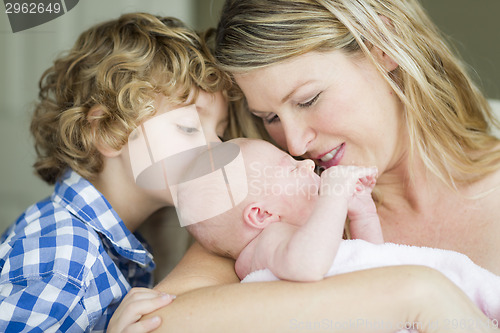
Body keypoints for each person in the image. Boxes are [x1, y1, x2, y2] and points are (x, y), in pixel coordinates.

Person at [138, 0, 500, 332]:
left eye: (308, 100)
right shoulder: (269, 212)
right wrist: (417, 295)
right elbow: (160, 323)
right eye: (269, 118)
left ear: (384, 47)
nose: (295, 145)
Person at [0, 13, 230, 332]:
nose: (216, 149)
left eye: (221, 133)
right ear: (108, 132)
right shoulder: (69, 251)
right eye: (189, 127)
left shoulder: (113, 244)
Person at [182, 138, 381, 281]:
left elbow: (373, 265)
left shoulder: (300, 241)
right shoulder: (268, 242)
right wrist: (333, 195)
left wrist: (363, 214)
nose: (309, 164)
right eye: (293, 168)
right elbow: (307, 267)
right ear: (262, 215)